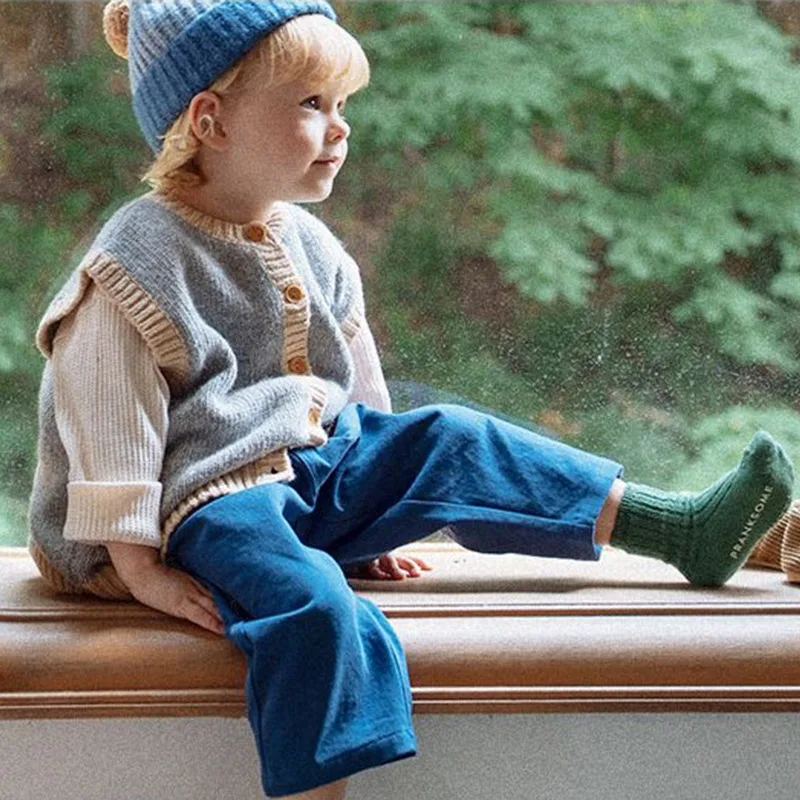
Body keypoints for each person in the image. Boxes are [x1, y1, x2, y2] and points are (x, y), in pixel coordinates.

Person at [27, 1, 795, 798]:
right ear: (211, 121)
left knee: (453, 437)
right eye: (312, 103)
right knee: (315, 609)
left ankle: (679, 528)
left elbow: (358, 390)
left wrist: (376, 511)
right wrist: (140, 568)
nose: (341, 128)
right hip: (194, 505)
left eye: (343, 104)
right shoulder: (134, 263)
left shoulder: (306, 241)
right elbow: (110, 421)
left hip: (302, 468)